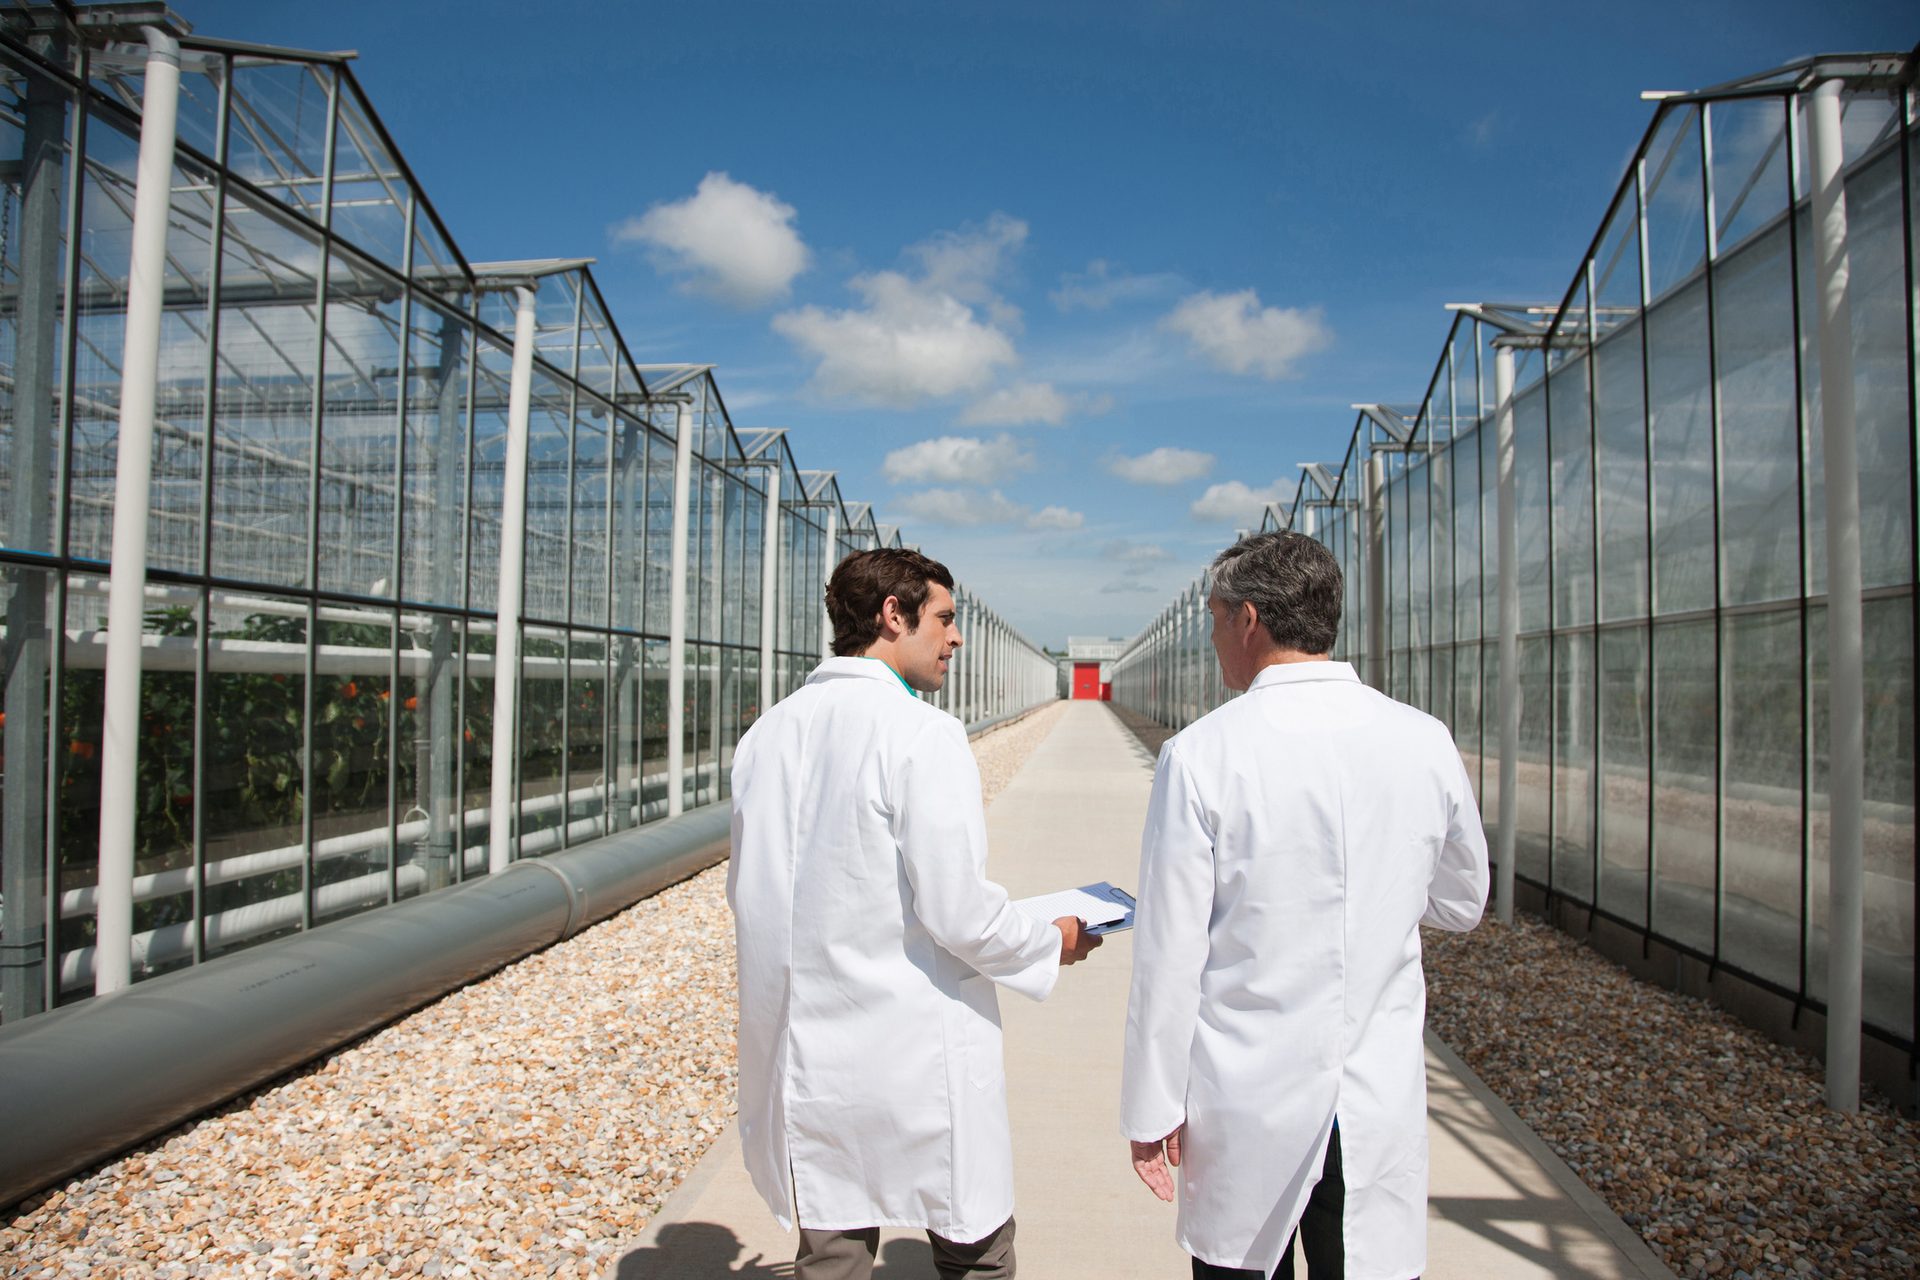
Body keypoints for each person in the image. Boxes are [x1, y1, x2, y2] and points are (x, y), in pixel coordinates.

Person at [1121, 530, 1489, 1280]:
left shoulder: (1203, 753)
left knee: (1241, 1262)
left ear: (1248, 619)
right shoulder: (1422, 739)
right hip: (1374, 1093)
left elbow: (1171, 953)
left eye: (1218, 619)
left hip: (1246, 1099)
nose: (1217, 637)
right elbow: (1462, 899)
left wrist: (1150, 1110)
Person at [728, 546, 1101, 1280]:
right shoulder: (922, 734)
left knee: (832, 1248)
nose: (955, 638)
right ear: (891, 616)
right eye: (945, 618)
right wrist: (1047, 939)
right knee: (974, 1247)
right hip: (914, 1050)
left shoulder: (768, 734)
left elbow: (754, 891)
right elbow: (958, 913)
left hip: (809, 1050)